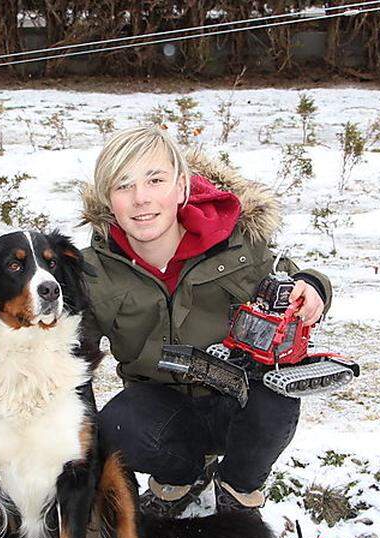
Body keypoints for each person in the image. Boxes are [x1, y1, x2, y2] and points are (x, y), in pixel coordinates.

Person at [79, 125, 332, 516]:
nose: (141, 199)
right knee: (113, 427)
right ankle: (178, 481)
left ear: (182, 187)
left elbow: (293, 278)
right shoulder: (92, 269)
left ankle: (239, 488)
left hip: (236, 400)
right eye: (123, 185)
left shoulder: (234, 242)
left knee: (277, 396)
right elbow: (71, 347)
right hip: (160, 408)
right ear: (107, 199)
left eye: (155, 180)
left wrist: (311, 287)